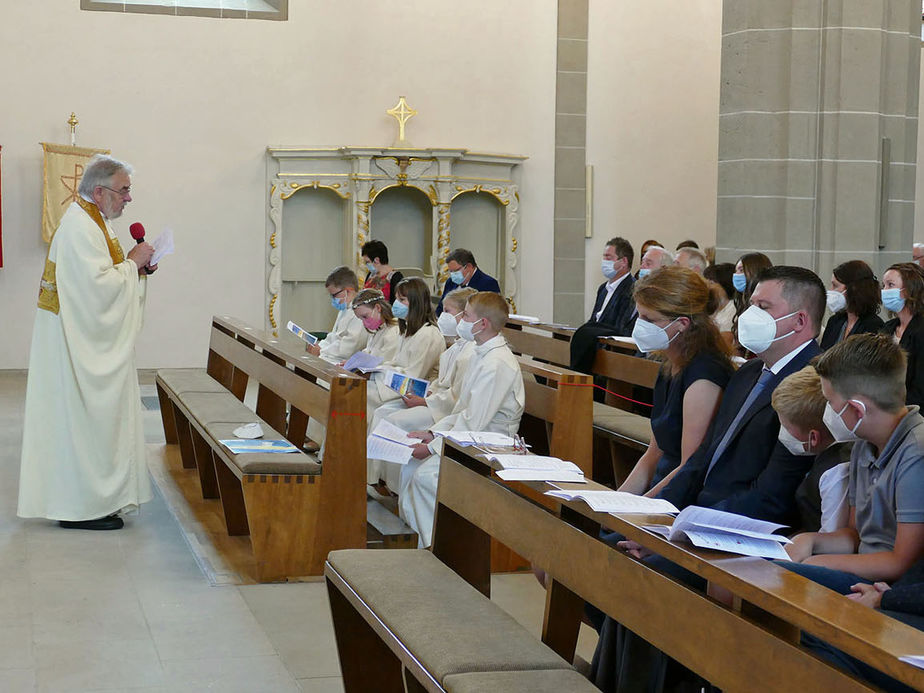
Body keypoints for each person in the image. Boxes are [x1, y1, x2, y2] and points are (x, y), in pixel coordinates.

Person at [591, 266, 827, 693]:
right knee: (605, 557)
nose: (748, 314)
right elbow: (699, 460)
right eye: (751, 303)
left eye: (762, 306)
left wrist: (682, 533)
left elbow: (771, 497)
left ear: (799, 321)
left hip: (747, 535)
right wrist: (658, 517)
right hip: (702, 520)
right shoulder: (748, 374)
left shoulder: (811, 384)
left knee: (647, 582)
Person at [17, 154, 156, 530]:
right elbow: (95, 292)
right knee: (82, 421)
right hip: (77, 346)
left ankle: (96, 500)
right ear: (100, 191)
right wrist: (131, 264)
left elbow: (105, 277)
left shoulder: (94, 221)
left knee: (88, 423)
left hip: (80, 340)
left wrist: (135, 269)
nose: (129, 198)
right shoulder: (80, 227)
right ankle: (81, 506)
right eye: (124, 190)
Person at [778, 334, 924, 592]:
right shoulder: (863, 445)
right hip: (865, 569)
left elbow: (902, 562)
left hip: (890, 587)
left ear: (857, 410)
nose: (828, 413)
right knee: (764, 568)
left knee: (779, 580)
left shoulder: (916, 454)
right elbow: (856, 535)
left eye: (830, 403)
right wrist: (810, 541)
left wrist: (820, 562)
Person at [398, 292, 525, 547]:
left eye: (466, 315)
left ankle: (443, 549)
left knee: (427, 479)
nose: (461, 320)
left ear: (483, 324)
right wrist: (433, 434)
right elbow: (461, 410)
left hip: (490, 442)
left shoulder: (496, 363)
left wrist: (434, 447)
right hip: (472, 433)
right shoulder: (482, 353)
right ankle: (424, 543)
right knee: (409, 466)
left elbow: (474, 423)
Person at [616, 267, 733, 498]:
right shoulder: (670, 364)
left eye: (648, 319)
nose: (640, 325)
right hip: (660, 485)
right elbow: (653, 453)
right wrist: (617, 501)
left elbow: (689, 468)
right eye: (639, 315)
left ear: (682, 324)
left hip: (681, 496)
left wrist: (639, 508)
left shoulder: (705, 375)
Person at [368, 287, 477, 492]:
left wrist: (426, 400)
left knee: (395, 421)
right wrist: (427, 393)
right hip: (434, 398)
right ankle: (380, 479)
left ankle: (396, 487)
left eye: (448, 311)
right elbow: (441, 382)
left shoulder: (469, 351)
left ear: (465, 316)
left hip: (444, 410)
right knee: (382, 412)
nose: (442, 315)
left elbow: (456, 395)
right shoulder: (456, 345)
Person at [366, 278, 445, 487]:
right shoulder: (409, 329)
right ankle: (374, 476)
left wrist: (384, 373)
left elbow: (414, 373)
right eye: (396, 298)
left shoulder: (428, 334)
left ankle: (388, 483)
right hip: (398, 385)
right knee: (378, 410)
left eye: (402, 299)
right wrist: (378, 368)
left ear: (416, 302)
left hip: (418, 392)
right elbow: (396, 362)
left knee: (377, 408)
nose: (396, 304)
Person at [771, 365, 852, 533]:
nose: (782, 431)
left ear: (813, 437)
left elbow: (831, 537)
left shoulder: (837, 472)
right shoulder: (822, 453)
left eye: (786, 426)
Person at [569, 237, 637, 373]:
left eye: (608, 257)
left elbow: (620, 328)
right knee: (543, 360)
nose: (604, 261)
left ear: (623, 262)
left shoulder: (632, 289)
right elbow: (594, 321)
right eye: (604, 256)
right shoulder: (603, 289)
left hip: (609, 351)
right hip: (593, 346)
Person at [880, 262, 924, 408]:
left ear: (910, 290)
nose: (884, 290)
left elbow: (920, 387)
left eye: (890, 285)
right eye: (884, 285)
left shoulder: (920, 331)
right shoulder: (888, 328)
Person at [308, 266, 368, 363]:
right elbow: (334, 335)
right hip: (333, 356)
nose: (333, 299)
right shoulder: (344, 309)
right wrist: (320, 346)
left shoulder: (361, 311)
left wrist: (322, 351)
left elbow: (350, 347)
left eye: (334, 295)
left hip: (344, 360)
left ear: (348, 291)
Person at [819, 260, 883, 350]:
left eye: (835, 285)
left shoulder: (873, 325)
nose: (831, 290)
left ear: (853, 289)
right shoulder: (835, 321)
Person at [435, 248, 500, 314]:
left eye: (456, 271)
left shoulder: (488, 283)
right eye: (451, 271)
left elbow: (491, 314)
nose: (453, 275)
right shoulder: (450, 282)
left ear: (469, 266)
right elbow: (440, 308)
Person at [349, 288, 400, 366]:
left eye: (365, 316)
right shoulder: (378, 329)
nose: (364, 322)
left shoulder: (394, 331)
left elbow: (385, 362)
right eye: (360, 319)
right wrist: (354, 362)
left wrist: (361, 364)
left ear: (378, 308)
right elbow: (368, 352)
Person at [732, 251, 773, 316]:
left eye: (741, 270)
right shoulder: (742, 302)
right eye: (736, 271)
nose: (736, 275)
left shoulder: (765, 303)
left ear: (755, 271)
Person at [703, 262, 737, 332]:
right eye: (706, 282)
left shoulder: (734, 311)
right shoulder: (709, 306)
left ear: (725, 286)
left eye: (711, 283)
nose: (707, 286)